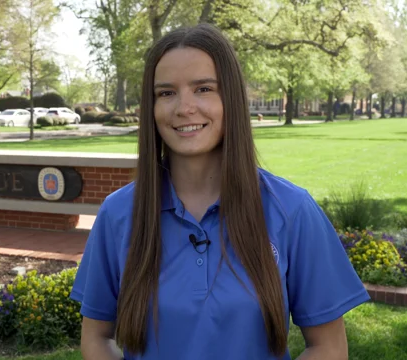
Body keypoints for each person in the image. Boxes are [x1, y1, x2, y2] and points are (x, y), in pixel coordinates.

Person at [70, 24, 369, 360]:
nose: (184, 107)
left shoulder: (291, 210)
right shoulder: (119, 213)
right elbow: (95, 338)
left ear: (231, 98)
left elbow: (328, 347)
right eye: (166, 93)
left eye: (203, 89)